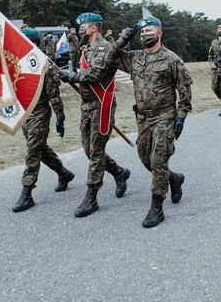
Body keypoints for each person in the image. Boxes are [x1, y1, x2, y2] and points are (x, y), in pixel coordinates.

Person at [106, 15, 192, 228]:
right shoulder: (135, 58)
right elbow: (109, 60)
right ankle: (173, 179)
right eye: (142, 32)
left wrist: (181, 116)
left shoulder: (171, 59)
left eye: (149, 31)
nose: (145, 34)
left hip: (165, 116)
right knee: (145, 159)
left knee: (158, 160)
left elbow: (184, 90)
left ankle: (157, 207)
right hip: (143, 117)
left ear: (159, 33)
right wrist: (122, 40)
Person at [56, 13, 131, 218]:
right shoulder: (86, 48)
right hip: (87, 105)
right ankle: (119, 172)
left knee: (96, 152)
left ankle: (91, 196)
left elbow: (96, 74)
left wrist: (71, 76)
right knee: (89, 150)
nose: (80, 30)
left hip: (102, 105)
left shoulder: (103, 47)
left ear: (93, 28)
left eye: (83, 27)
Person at [12, 66, 75, 212]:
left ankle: (27, 193)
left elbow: (54, 96)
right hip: (26, 114)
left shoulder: (44, 67)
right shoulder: (18, 63)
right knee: (40, 149)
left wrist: (60, 118)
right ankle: (64, 173)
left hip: (40, 114)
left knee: (33, 151)